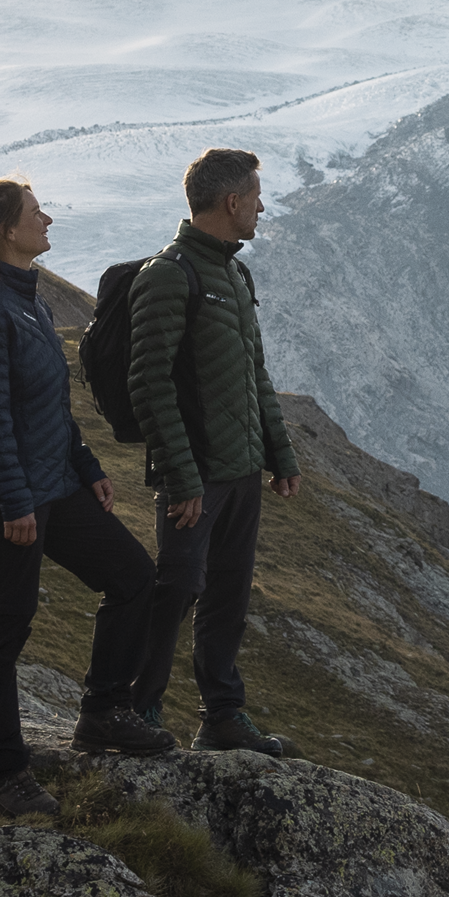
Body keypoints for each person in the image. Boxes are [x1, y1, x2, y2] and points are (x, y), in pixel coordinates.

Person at [0, 176, 162, 814]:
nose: (48, 222)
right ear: (8, 231)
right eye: (37, 214)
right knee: (6, 628)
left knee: (133, 577)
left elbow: (49, 407)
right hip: (8, 497)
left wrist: (87, 465)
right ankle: (5, 772)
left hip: (54, 484)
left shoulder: (28, 301)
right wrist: (15, 502)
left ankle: (101, 713)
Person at [124, 145, 303, 757]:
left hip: (242, 470)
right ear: (232, 202)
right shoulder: (171, 274)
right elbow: (147, 382)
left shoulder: (233, 272)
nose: (260, 207)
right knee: (176, 589)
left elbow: (254, 374)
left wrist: (280, 455)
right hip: (196, 475)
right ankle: (135, 708)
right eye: (255, 196)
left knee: (228, 594)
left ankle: (222, 717)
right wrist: (182, 476)